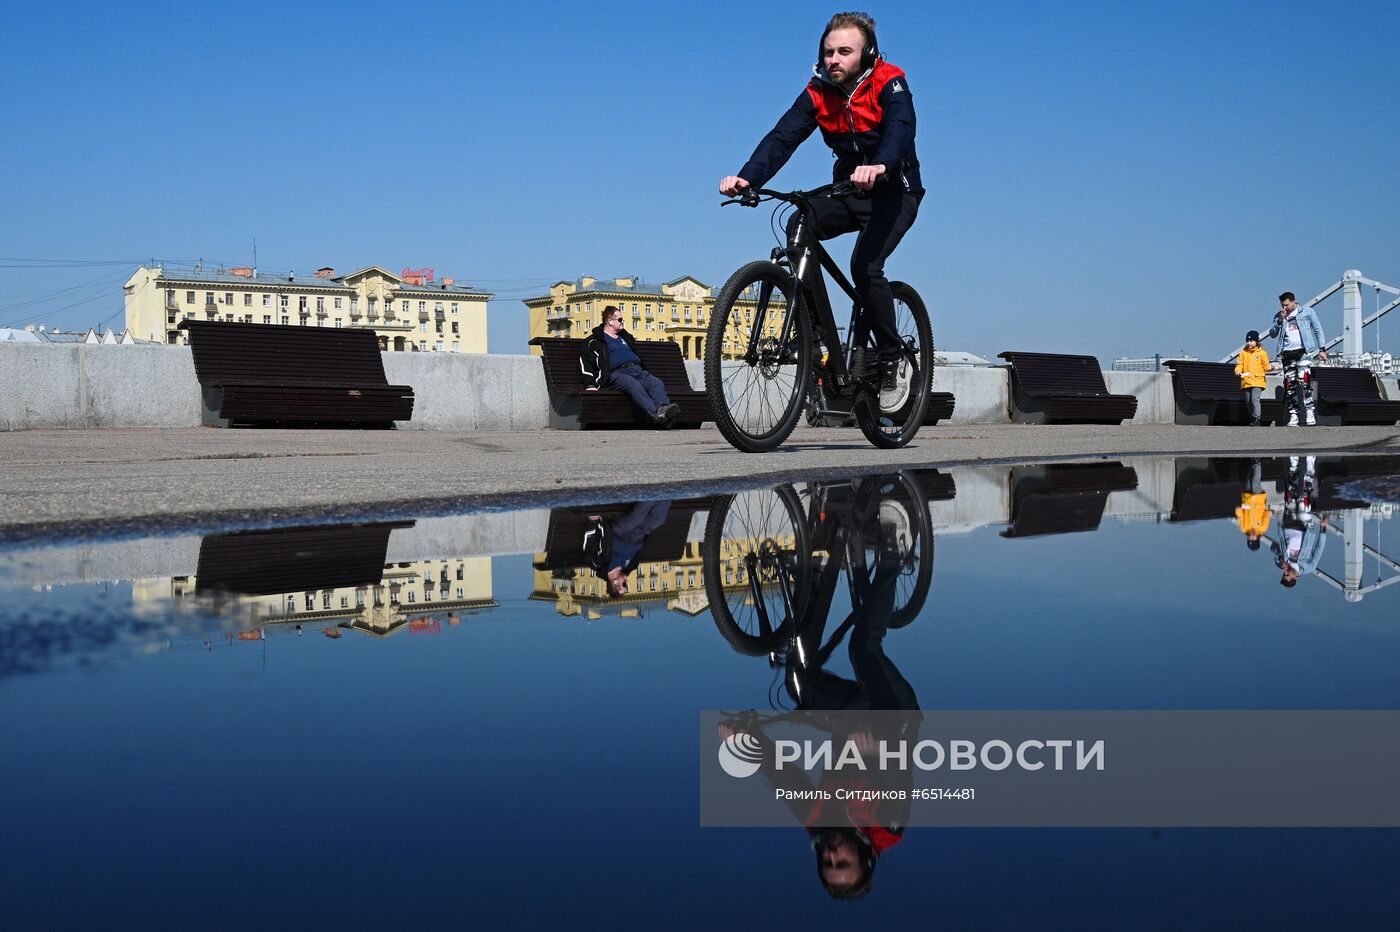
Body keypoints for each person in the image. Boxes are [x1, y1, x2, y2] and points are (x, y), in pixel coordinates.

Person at [718, 11, 921, 394]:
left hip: (896, 193)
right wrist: (749, 177)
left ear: (867, 53)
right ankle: (817, 339)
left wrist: (880, 165)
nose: (834, 60)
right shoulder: (818, 92)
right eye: (829, 52)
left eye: (845, 51)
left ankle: (892, 356)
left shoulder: (889, 81)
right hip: (850, 192)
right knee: (800, 222)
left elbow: (900, 130)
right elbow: (782, 138)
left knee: (864, 265)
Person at [580, 305, 681, 426]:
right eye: (619, 320)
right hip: (616, 374)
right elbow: (586, 362)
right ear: (609, 321)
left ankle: (664, 409)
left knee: (656, 382)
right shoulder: (594, 341)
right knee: (633, 385)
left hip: (638, 371)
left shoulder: (625, 338)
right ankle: (657, 417)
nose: (622, 322)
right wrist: (590, 384)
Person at [582, 500, 672, 597]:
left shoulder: (598, 564)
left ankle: (652, 491)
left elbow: (589, 542)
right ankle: (666, 493)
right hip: (639, 535)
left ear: (615, 583)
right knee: (657, 520)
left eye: (624, 584)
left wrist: (592, 522)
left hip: (618, 532)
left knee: (635, 519)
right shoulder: (629, 567)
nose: (627, 581)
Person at [1267, 292, 1328, 426]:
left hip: (1303, 352)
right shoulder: (1279, 315)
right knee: (1290, 386)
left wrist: (1322, 349)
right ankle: (1294, 414)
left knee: (1304, 381)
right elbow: (1272, 334)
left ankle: (1309, 412)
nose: (1285, 307)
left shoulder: (1307, 312)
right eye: (1282, 305)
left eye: (1287, 304)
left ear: (1294, 301)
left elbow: (1318, 329)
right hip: (1287, 354)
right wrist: (1279, 321)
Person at [1271, 456, 1327, 587]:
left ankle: (1294, 465)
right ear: (1294, 578)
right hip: (1305, 527)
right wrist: (1323, 529)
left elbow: (1273, 546)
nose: (1285, 573)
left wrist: (1280, 559)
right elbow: (1319, 549)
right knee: (1305, 496)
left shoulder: (1282, 563)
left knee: (1290, 494)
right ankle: (1310, 465)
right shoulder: (1309, 567)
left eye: (1284, 574)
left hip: (1288, 524)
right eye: (1287, 576)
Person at [1234, 330, 1271, 426]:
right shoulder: (1243, 353)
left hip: (1258, 381)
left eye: (1251, 341)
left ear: (1256, 341)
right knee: (1248, 401)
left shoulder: (1262, 353)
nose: (1249, 343)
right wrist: (1238, 370)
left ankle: (1256, 419)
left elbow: (1266, 366)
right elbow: (1239, 364)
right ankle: (1252, 418)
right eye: (1248, 341)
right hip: (1246, 381)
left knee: (1255, 399)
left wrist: (1272, 368)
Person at [1235, 458, 1271, 550]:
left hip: (1247, 500)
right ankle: (1257, 462)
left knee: (1249, 479)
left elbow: (1241, 517)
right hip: (1258, 499)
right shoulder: (1263, 528)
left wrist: (1238, 510)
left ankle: (1252, 463)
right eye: (1253, 538)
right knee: (1255, 482)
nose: (1251, 536)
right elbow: (1266, 514)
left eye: (1250, 538)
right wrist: (1271, 512)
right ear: (1257, 538)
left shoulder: (1243, 528)